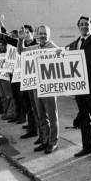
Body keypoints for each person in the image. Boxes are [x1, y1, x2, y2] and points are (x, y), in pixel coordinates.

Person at [68, 8, 91, 158]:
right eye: (81, 24)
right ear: (78, 26)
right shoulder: (73, 44)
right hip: (79, 85)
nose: (84, 26)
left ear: (90, 25)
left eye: (87, 24)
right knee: (84, 116)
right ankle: (86, 146)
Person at [30, 25, 60, 154]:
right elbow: (20, 51)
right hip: (37, 86)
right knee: (41, 116)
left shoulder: (53, 48)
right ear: (37, 35)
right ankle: (45, 140)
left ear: (49, 35)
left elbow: (63, 56)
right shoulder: (35, 48)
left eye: (45, 34)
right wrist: (20, 40)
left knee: (52, 116)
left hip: (49, 87)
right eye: (40, 33)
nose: (42, 36)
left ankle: (53, 142)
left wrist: (60, 53)